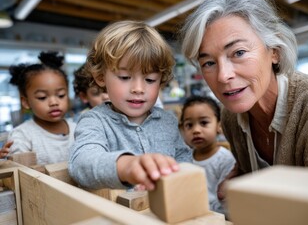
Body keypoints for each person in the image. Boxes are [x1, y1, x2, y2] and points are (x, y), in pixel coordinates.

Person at [181, 0, 308, 198]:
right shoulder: (231, 117)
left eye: (238, 52)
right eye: (208, 63)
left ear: (274, 51)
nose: (222, 75)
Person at [68, 20, 192, 190]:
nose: (138, 89)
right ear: (101, 77)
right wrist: (126, 166)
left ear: (161, 81)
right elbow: (81, 164)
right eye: (125, 77)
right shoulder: (94, 121)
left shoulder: (168, 120)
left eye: (150, 80)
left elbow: (184, 158)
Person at [0, 51, 76, 165]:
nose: (54, 102)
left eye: (61, 95)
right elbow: (20, 173)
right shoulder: (22, 136)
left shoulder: (78, 129)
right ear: (26, 102)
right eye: (42, 97)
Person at [179, 95, 236, 215]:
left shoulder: (226, 160)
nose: (196, 130)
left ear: (219, 126)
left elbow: (225, 203)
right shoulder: (183, 159)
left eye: (204, 123)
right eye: (189, 125)